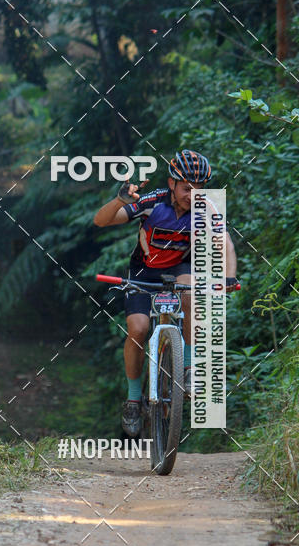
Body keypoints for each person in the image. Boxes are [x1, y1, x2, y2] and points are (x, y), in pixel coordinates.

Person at [93, 149, 238, 437]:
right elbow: (101, 221)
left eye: (199, 188)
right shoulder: (152, 202)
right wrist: (119, 200)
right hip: (144, 271)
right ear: (172, 183)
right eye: (187, 188)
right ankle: (134, 398)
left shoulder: (206, 208)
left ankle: (188, 367)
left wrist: (230, 278)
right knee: (138, 328)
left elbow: (225, 244)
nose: (193, 194)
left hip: (179, 268)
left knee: (191, 292)